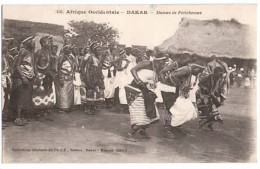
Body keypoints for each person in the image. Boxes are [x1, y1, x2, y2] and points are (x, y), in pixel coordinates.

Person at [124, 52, 167, 142]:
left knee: (153, 115)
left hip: (145, 91)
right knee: (141, 116)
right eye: (161, 62)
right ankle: (130, 135)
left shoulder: (157, 68)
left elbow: (157, 80)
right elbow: (133, 70)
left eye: (164, 62)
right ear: (156, 60)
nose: (162, 64)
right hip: (136, 90)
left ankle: (142, 131)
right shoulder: (147, 63)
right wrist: (139, 81)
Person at [162, 64, 204, 138]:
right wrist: (182, 87)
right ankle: (168, 129)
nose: (198, 73)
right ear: (196, 68)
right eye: (199, 71)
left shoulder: (189, 71)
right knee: (172, 109)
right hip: (169, 90)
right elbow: (172, 76)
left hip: (175, 91)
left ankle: (176, 125)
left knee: (188, 108)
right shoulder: (187, 69)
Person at [10, 36, 35, 126]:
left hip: (28, 77)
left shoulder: (30, 52)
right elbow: (17, 65)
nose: (33, 43)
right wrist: (23, 77)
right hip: (21, 78)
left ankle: (22, 117)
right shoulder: (23, 51)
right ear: (27, 42)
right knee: (20, 97)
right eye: (31, 41)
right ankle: (17, 118)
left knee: (25, 97)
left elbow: (31, 65)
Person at [33, 36, 55, 117]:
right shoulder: (39, 52)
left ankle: (45, 109)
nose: (49, 44)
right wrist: (37, 75)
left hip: (48, 75)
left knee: (47, 92)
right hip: (41, 75)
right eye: (47, 42)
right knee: (39, 93)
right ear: (42, 43)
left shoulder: (48, 52)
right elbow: (34, 64)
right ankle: (38, 112)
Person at [80, 41, 105, 115]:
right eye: (98, 50)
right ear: (94, 50)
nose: (100, 51)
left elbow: (99, 68)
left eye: (100, 50)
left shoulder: (99, 58)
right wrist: (88, 79)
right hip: (91, 78)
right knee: (90, 92)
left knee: (96, 92)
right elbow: (87, 69)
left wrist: (101, 76)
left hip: (97, 78)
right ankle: (88, 108)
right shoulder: (90, 58)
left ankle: (93, 107)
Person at [55, 44, 75, 113]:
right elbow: (59, 68)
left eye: (70, 49)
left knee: (69, 92)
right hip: (63, 77)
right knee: (63, 92)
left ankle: (68, 106)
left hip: (69, 77)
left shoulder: (70, 56)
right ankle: (62, 107)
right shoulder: (61, 57)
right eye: (68, 49)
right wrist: (60, 78)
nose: (70, 50)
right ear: (64, 49)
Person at [2, 37, 13, 128]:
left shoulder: (4, 57)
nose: (6, 47)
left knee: (4, 99)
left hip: (4, 79)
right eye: (5, 45)